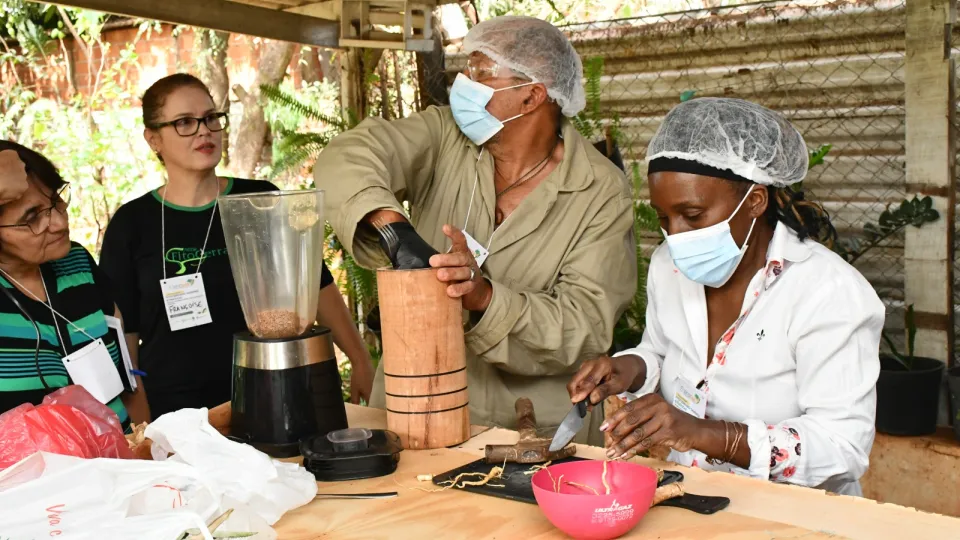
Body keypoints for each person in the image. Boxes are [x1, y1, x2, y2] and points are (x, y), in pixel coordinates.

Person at [314, 16, 637, 442]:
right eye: (466, 67)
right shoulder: (445, 135)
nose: (463, 82)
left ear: (531, 96)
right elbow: (346, 156)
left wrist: (484, 297)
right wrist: (396, 231)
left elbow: (583, 325)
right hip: (414, 410)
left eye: (481, 72)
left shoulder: (600, 191)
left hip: (530, 432)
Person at [567, 97, 884, 495]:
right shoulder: (671, 266)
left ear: (754, 201)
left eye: (693, 215)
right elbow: (664, 351)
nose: (675, 235)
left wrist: (703, 433)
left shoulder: (828, 292)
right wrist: (631, 367)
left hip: (794, 516)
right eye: (664, 218)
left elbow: (842, 446)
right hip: (692, 495)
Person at [99, 74, 375, 420]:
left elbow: (314, 286)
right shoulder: (132, 223)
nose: (204, 131)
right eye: (185, 122)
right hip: (180, 416)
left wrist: (360, 360)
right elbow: (125, 333)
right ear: (153, 139)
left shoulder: (260, 201)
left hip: (275, 396)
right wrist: (139, 419)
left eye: (211, 118)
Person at [0, 141, 150, 425]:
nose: (58, 222)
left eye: (55, 201)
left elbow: (129, 378)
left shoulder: (77, 262)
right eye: (32, 217)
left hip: (121, 458)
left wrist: (147, 447)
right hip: (43, 469)